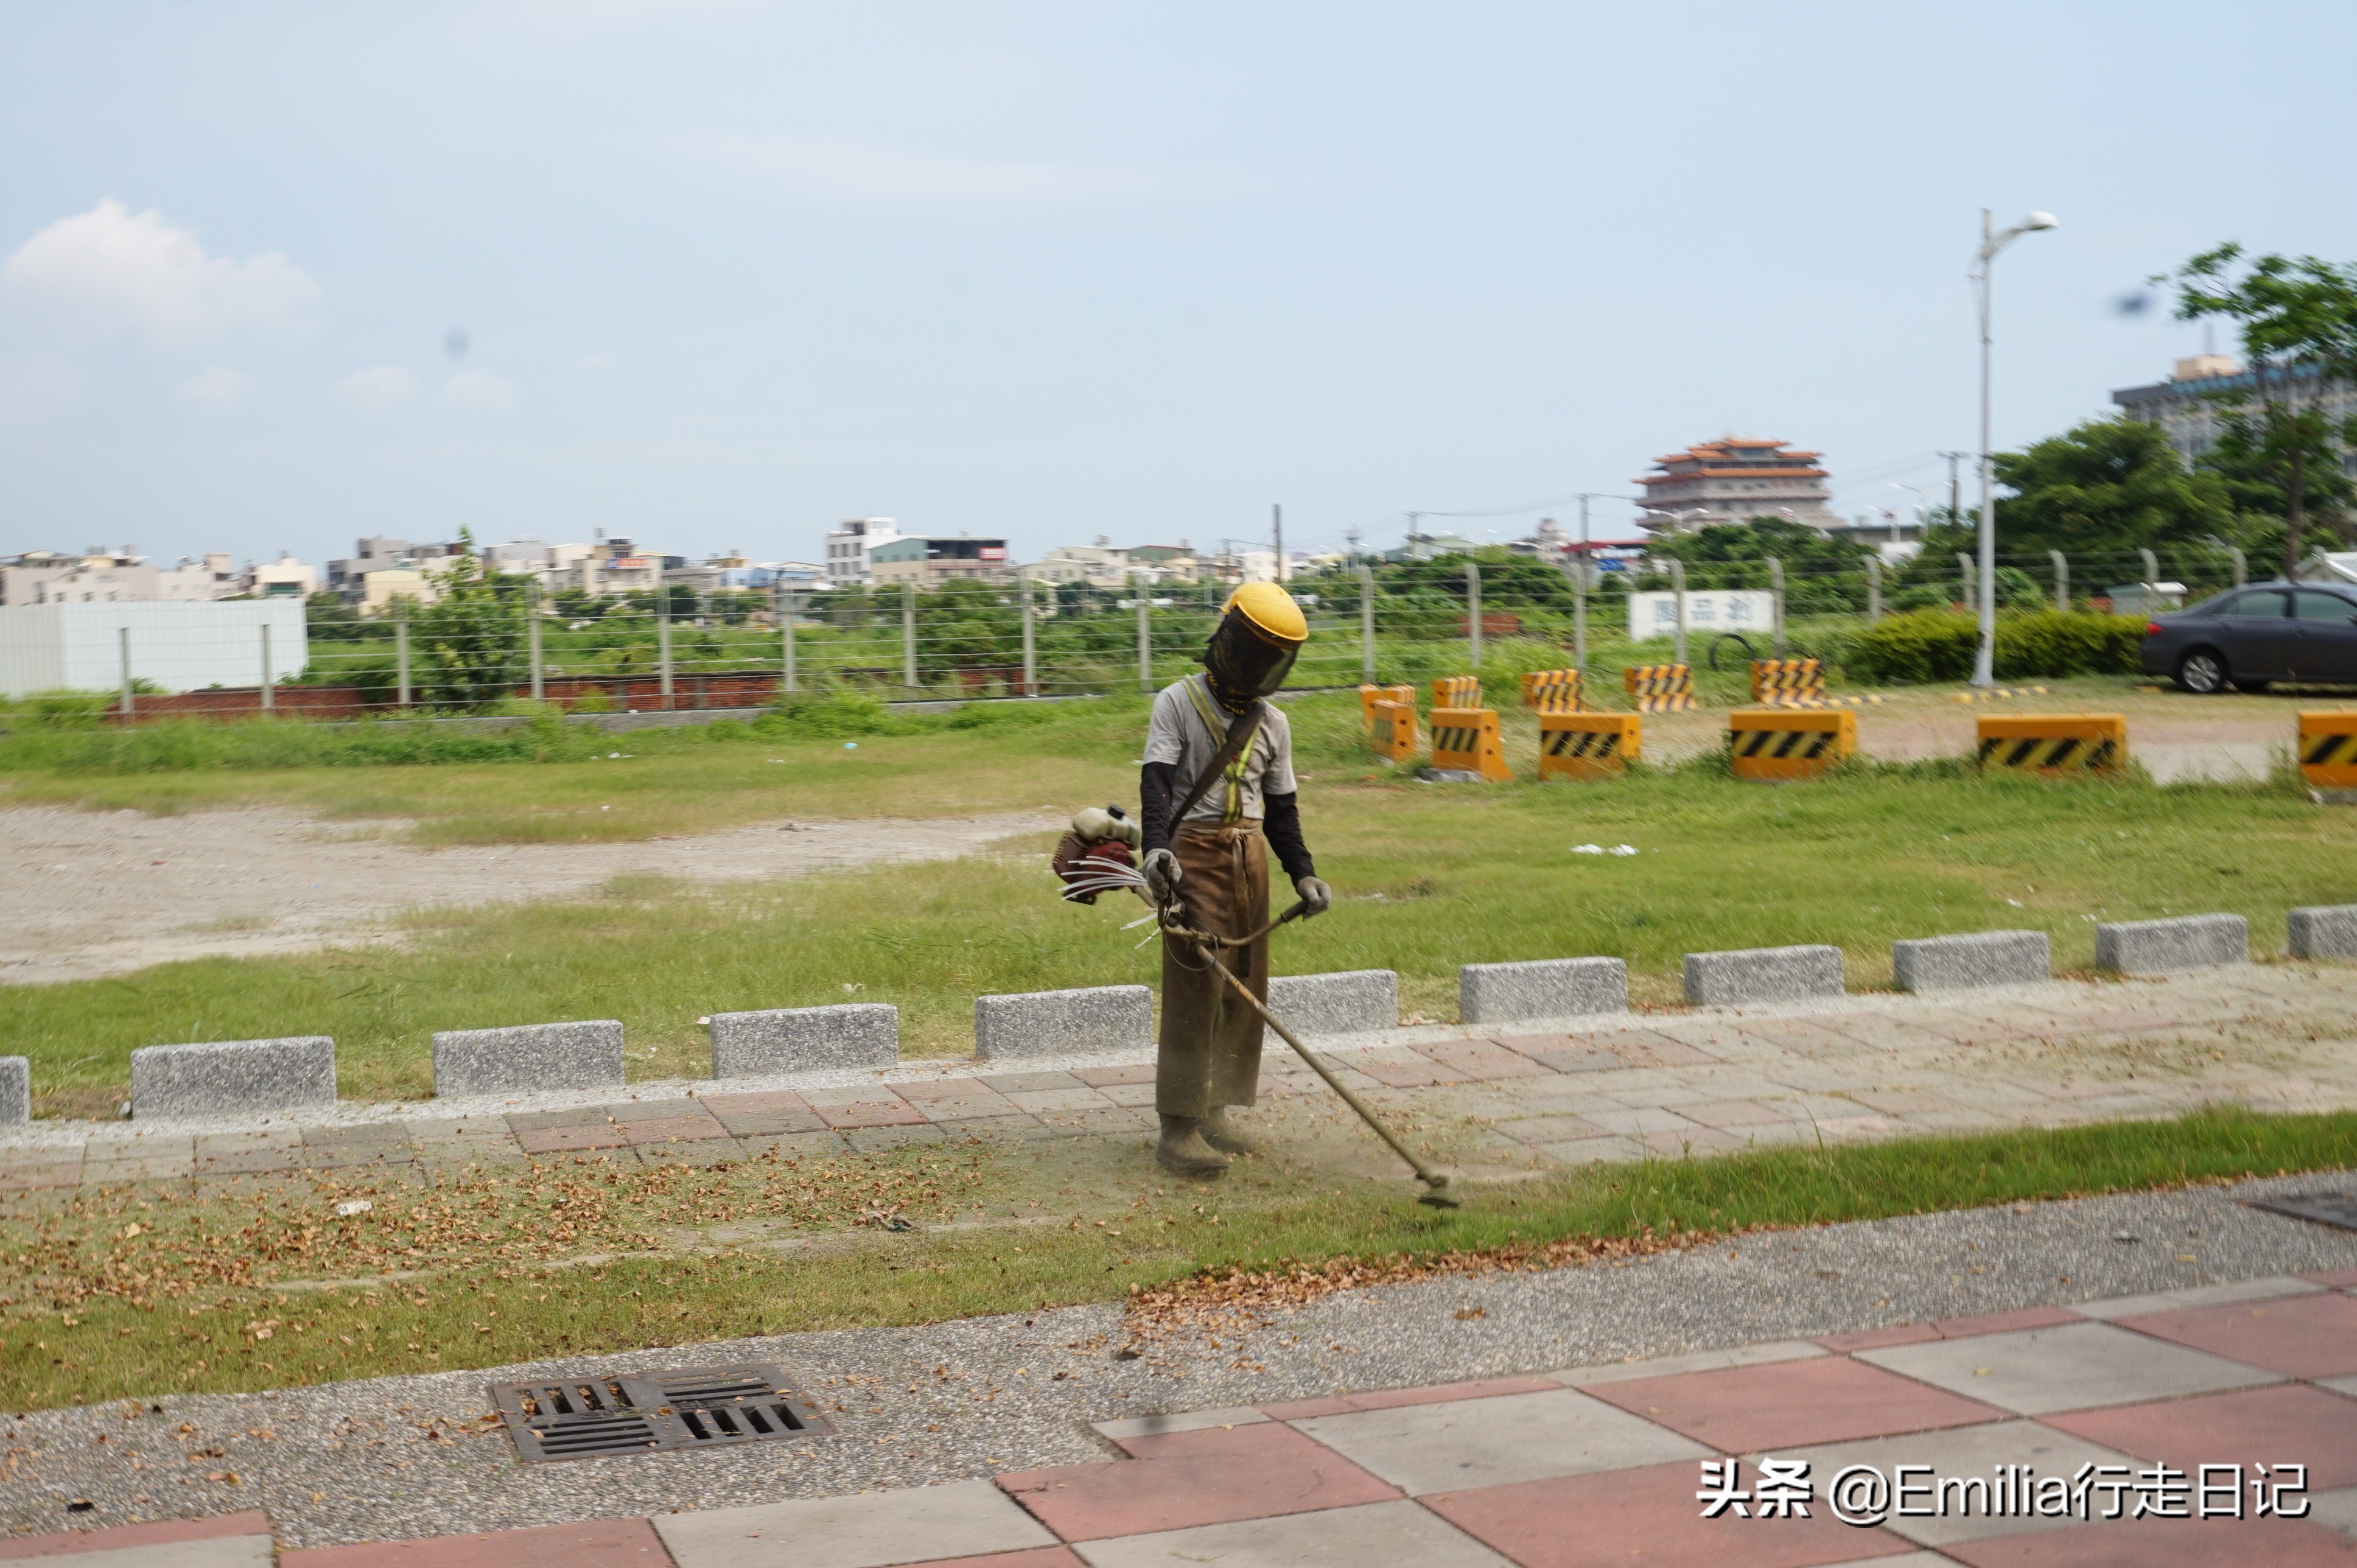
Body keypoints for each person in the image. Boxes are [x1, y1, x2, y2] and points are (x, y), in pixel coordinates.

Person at [1138, 582, 1331, 1177]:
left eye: (1266, 657)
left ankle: (1215, 1111)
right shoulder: (1175, 702)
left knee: (1243, 988)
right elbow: (1157, 784)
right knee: (1197, 988)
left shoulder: (1273, 723)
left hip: (1247, 860)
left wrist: (1303, 873)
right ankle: (1177, 1127)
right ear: (1225, 638)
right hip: (1189, 858)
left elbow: (1282, 810)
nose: (1254, 664)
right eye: (1248, 649)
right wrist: (1157, 851)